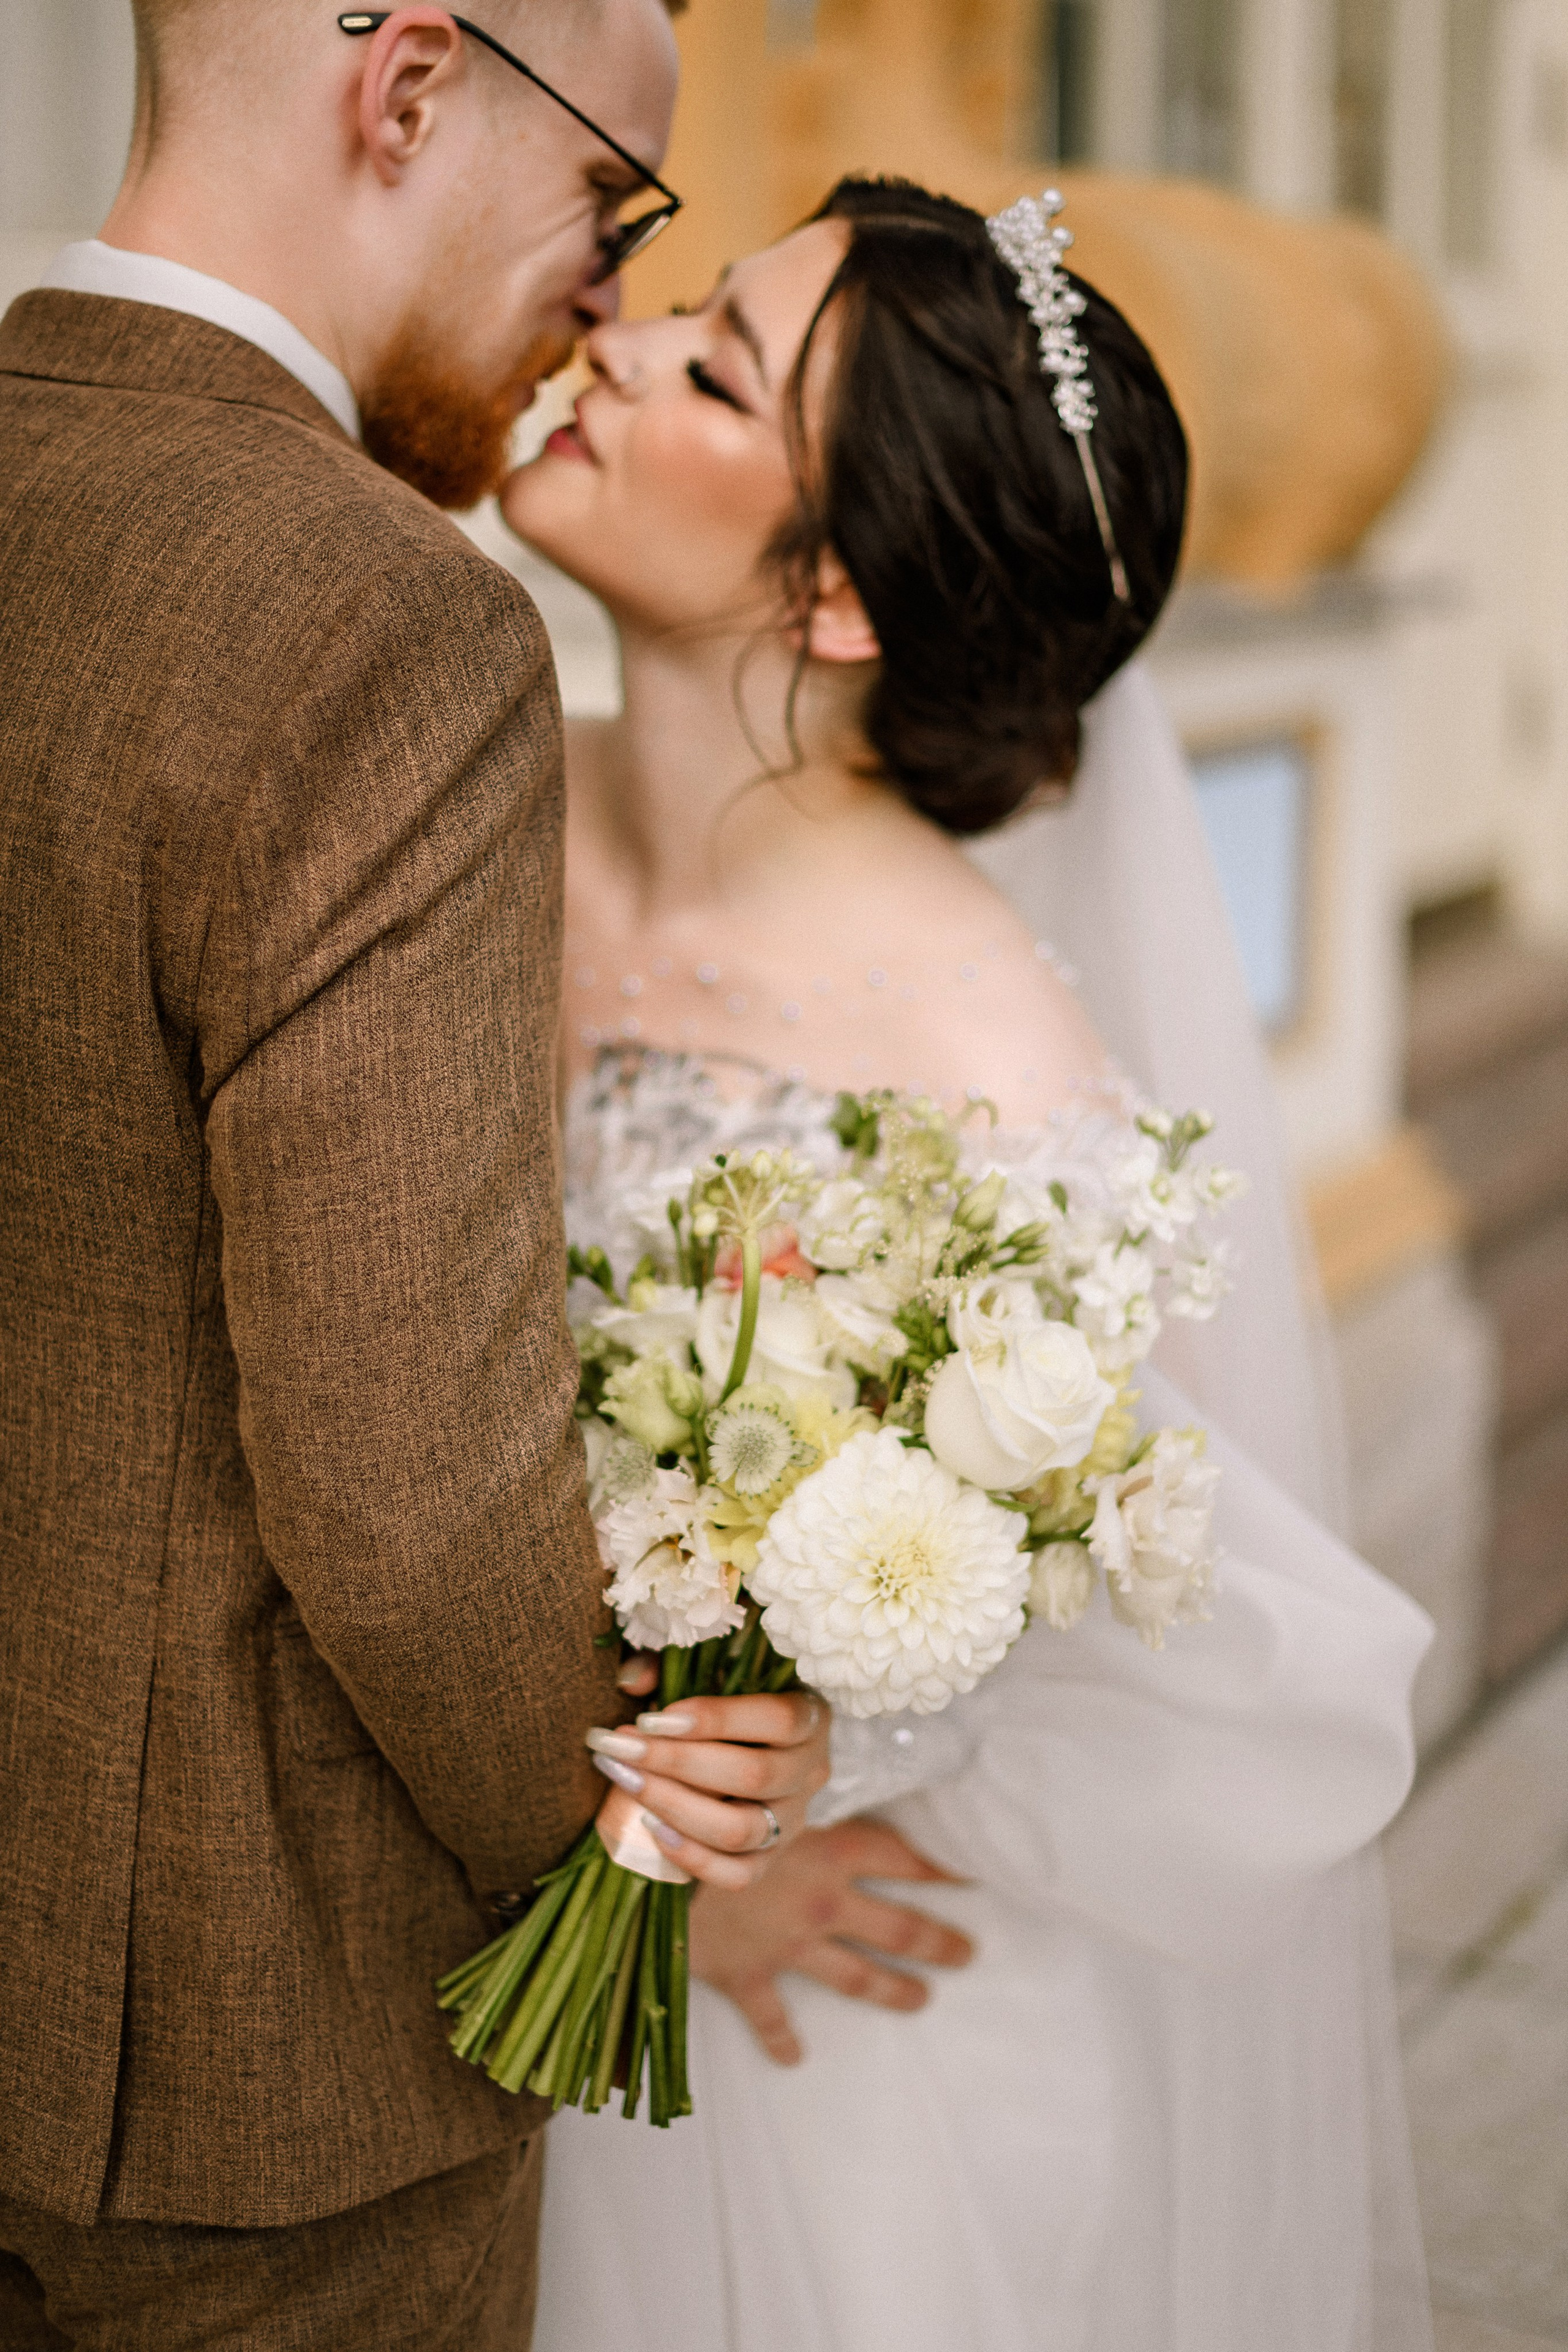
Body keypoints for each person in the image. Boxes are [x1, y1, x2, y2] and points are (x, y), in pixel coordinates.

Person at [502, 178, 1439, 2349]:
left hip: (828, 2048)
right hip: (444, 1938)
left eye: (715, 367)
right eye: (686, 312)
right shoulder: (458, 798)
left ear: (835, 588)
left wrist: (783, 1795)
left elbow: (1178, 1635)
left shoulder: (987, 1082)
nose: (617, 346)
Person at [0, 7, 833, 2346]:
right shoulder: (387, 619)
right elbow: (408, 1470)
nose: (603, 301)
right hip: (227, 2061)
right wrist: (609, 1855)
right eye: (615, 212)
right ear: (409, 91)